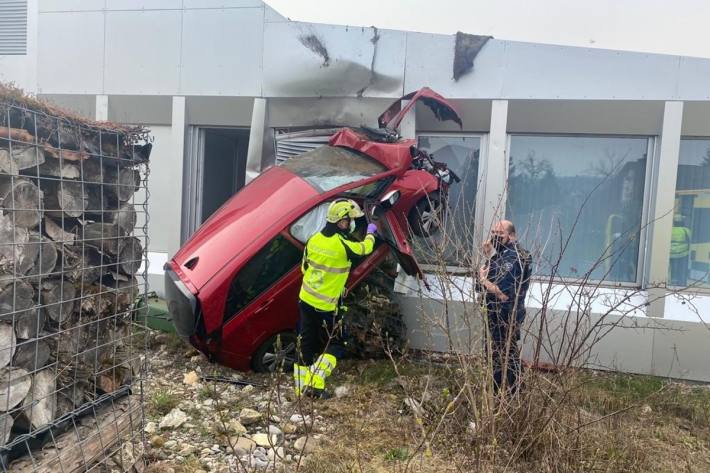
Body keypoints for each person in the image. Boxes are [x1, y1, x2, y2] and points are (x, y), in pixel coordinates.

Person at [294, 199, 377, 399]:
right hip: (326, 306)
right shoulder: (343, 245)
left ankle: (299, 388)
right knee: (337, 343)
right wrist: (372, 232)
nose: (351, 224)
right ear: (341, 222)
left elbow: (305, 268)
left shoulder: (314, 239)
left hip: (305, 299)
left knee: (306, 342)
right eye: (349, 221)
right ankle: (315, 383)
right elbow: (365, 249)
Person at [478, 220, 532, 395]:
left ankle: (506, 392)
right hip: (495, 311)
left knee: (503, 352)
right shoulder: (500, 253)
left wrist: (483, 280)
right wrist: (490, 256)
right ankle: (507, 390)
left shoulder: (516, 256)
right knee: (502, 351)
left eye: (500, 234)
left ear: (512, 235)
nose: (494, 236)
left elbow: (502, 292)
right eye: (493, 232)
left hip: (506, 313)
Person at [670, 214, 691, 286]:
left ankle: (672, 281)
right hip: (683, 254)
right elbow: (690, 240)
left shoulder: (670, 229)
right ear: (681, 222)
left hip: (671, 253)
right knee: (681, 268)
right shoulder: (685, 230)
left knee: (672, 268)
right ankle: (681, 282)